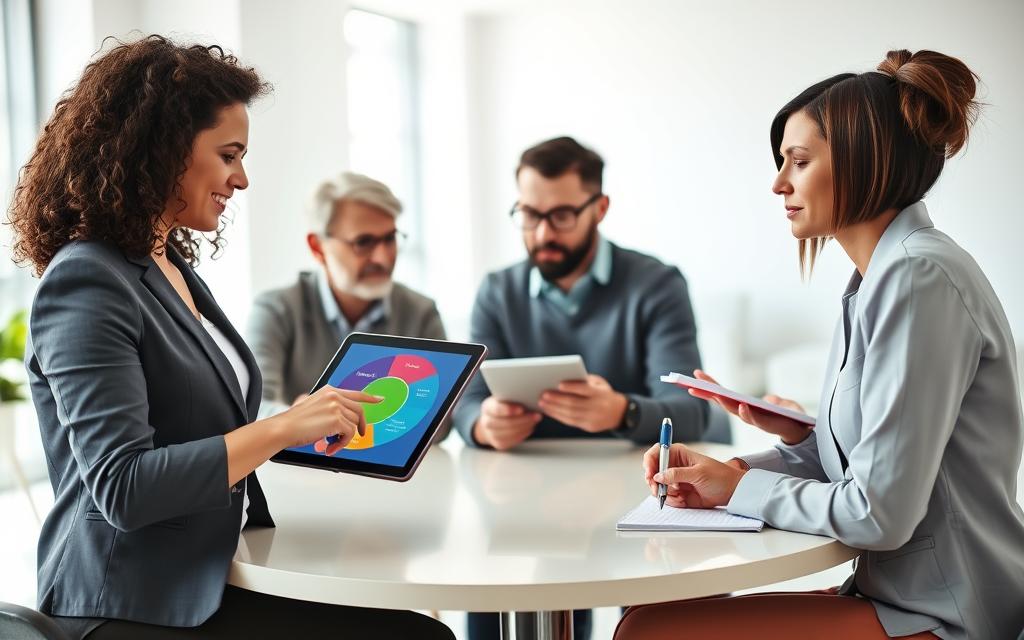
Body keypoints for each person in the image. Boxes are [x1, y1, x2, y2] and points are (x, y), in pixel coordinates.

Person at [9, 36, 453, 640]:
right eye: (228, 155)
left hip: (210, 570)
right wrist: (281, 429)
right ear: (162, 152)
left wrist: (302, 430)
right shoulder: (88, 281)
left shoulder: (164, 267)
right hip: (130, 601)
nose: (241, 179)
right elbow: (123, 486)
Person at [625, 49, 1024, 640]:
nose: (779, 182)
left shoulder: (918, 279)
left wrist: (738, 488)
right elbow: (873, 465)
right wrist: (729, 469)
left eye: (799, 161)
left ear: (865, 163)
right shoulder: (880, 278)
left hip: (949, 612)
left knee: (650, 634)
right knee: (652, 616)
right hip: (906, 594)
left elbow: (877, 513)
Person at [452, 136, 712, 640]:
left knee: (656, 610)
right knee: (485, 585)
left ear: (600, 208)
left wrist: (621, 412)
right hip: (521, 498)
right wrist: (482, 425)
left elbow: (692, 411)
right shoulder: (498, 291)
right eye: (528, 215)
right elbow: (464, 403)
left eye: (562, 216)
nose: (543, 233)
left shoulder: (656, 285)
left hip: (631, 497)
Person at [246, 171, 446, 419]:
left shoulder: (420, 312)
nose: (383, 258)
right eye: (363, 242)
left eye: (390, 238)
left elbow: (442, 418)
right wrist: (295, 418)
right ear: (317, 247)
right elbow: (252, 407)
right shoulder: (276, 310)